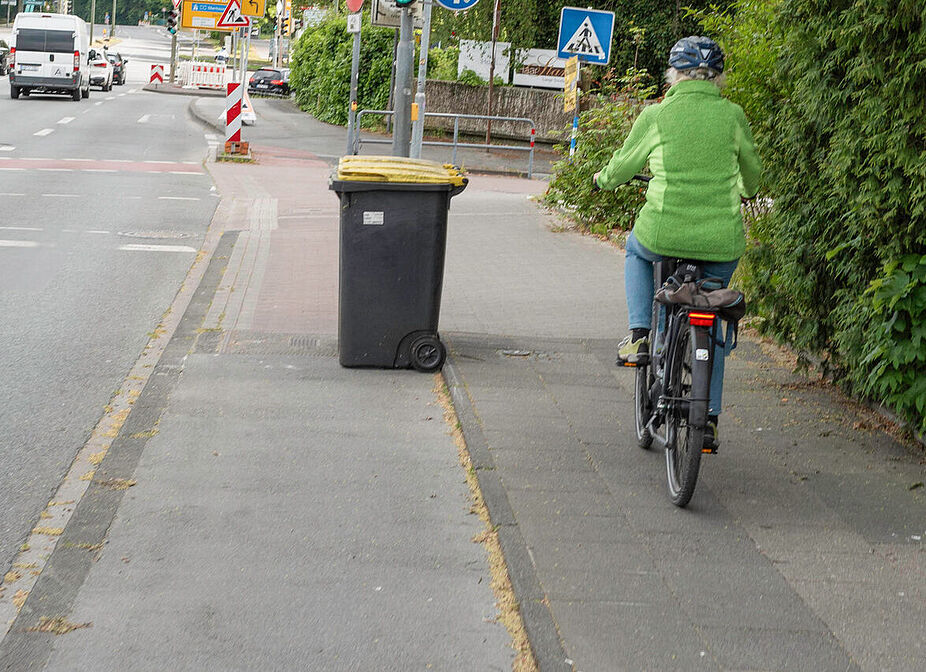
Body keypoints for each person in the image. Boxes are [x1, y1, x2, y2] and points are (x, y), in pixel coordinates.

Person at [593, 36, 762, 448]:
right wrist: (743, 188)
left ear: (674, 75)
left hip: (663, 233)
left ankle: (641, 335)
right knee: (714, 317)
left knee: (635, 248)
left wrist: (602, 180)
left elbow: (624, 164)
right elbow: (754, 176)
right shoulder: (733, 115)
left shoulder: (657, 115)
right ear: (717, 77)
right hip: (721, 240)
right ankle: (710, 419)